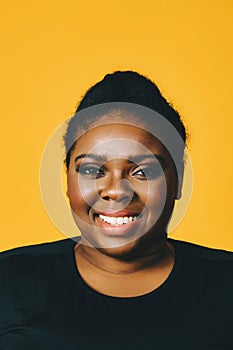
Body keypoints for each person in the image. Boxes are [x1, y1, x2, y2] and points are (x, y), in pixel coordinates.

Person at [0, 71, 232, 350]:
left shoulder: (225, 285)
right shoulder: (9, 280)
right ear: (68, 179)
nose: (117, 191)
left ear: (178, 180)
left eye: (143, 171)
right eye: (92, 170)